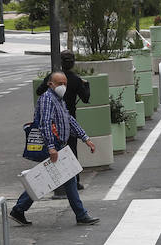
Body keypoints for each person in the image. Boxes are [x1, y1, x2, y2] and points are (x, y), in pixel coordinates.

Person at [11, 71, 99, 227]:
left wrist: (85, 138)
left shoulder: (59, 99)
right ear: (50, 84)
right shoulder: (46, 99)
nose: (63, 86)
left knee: (48, 178)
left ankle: (19, 209)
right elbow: (44, 123)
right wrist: (51, 147)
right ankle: (81, 214)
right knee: (57, 178)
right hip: (51, 146)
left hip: (58, 145)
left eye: (65, 83)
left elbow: (68, 119)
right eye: (59, 83)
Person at [52, 51, 92, 198]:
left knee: (54, 150)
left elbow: (39, 90)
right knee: (71, 151)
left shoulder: (53, 78)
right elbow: (86, 98)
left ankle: (58, 183)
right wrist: (86, 85)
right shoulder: (75, 80)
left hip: (53, 121)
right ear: (73, 63)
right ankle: (75, 181)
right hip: (69, 120)